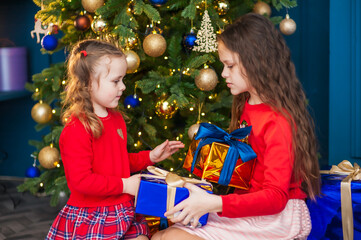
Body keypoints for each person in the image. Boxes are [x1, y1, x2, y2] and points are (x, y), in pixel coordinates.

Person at [152, 13, 320, 240]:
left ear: (256, 62)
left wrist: (215, 203)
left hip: (277, 217)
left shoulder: (278, 121)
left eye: (230, 65)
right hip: (250, 207)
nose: (223, 74)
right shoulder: (246, 103)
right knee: (163, 234)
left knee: (173, 237)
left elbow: (275, 197)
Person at [46, 39, 184, 240]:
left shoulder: (116, 119)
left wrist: (151, 157)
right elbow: (81, 181)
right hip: (93, 215)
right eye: (115, 81)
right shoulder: (77, 129)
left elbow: (117, 162)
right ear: (88, 83)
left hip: (123, 209)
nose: (123, 87)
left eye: (123, 80)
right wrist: (125, 185)